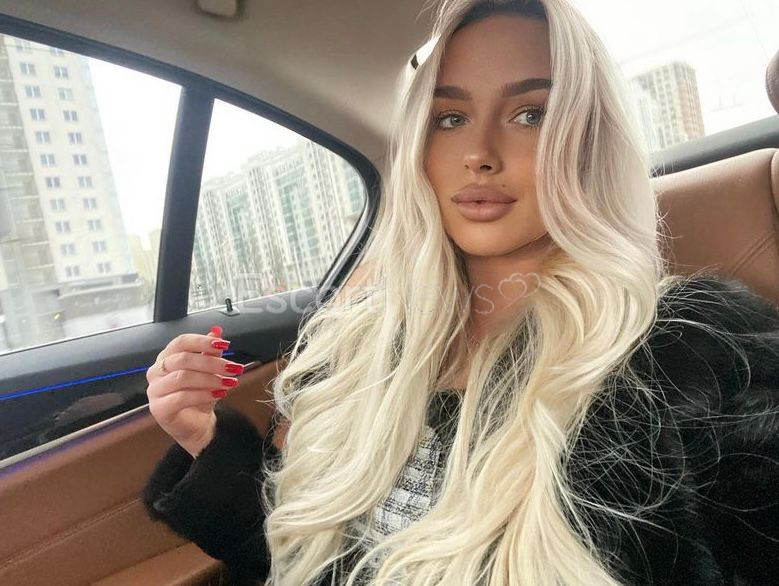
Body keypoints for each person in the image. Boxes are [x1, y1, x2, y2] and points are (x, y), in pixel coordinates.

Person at [142, 0, 779, 584]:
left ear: (591, 139)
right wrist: (205, 440)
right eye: (450, 118)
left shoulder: (695, 355)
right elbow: (296, 561)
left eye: (530, 114)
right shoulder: (360, 343)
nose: (479, 153)